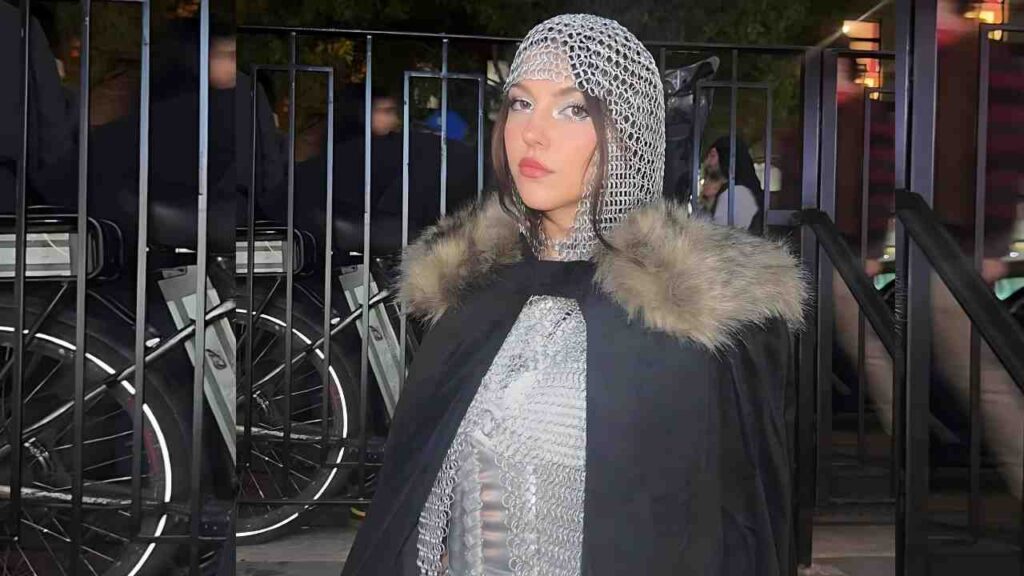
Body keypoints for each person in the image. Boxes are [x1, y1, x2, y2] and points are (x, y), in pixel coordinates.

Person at [341, 14, 806, 576]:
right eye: (520, 102)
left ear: (626, 132)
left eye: (573, 108)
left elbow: (734, 528)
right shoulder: (471, 298)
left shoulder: (697, 320)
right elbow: (414, 508)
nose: (533, 132)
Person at [699, 136, 764, 234]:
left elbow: (715, 237)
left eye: (712, 156)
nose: (707, 162)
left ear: (727, 157)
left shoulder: (736, 193)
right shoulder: (734, 192)